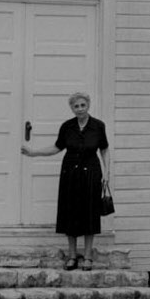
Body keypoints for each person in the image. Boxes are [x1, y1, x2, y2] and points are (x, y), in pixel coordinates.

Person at [21, 93, 110, 270]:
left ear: (88, 105)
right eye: (76, 106)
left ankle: (87, 257)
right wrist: (34, 153)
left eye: (83, 105)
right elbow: (57, 147)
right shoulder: (67, 127)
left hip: (92, 173)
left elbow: (104, 150)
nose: (80, 109)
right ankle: (71, 256)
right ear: (72, 108)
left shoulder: (98, 126)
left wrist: (106, 172)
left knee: (89, 214)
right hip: (70, 173)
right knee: (71, 213)